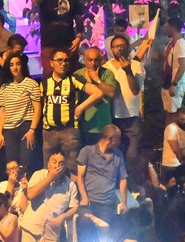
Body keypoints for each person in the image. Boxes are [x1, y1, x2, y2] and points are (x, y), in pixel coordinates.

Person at [40, 49, 103, 175]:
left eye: (66, 60)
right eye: (59, 60)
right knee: (48, 168)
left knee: (72, 167)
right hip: (49, 132)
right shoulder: (44, 82)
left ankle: (73, 193)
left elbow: (98, 92)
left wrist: (81, 107)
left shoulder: (74, 79)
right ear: (52, 63)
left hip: (69, 130)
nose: (63, 64)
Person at [75, 124, 129, 242]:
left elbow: (123, 179)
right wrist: (84, 197)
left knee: (113, 230)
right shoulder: (87, 151)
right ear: (110, 139)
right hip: (89, 203)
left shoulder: (118, 156)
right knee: (85, 225)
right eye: (118, 139)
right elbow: (79, 178)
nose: (120, 142)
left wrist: (123, 202)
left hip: (107, 204)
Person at [20, 151, 78, 242]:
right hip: (31, 228)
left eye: (61, 163)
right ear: (48, 163)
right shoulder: (39, 175)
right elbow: (30, 195)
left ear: (65, 166)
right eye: (54, 162)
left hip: (51, 232)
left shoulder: (70, 185)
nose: (57, 166)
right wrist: (50, 177)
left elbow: (74, 207)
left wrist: (63, 216)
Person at [104, 34, 147, 182]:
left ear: (128, 47)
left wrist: (128, 71)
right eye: (116, 46)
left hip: (131, 117)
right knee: (114, 153)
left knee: (131, 155)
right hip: (113, 117)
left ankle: (132, 187)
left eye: (123, 45)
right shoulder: (106, 68)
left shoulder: (136, 65)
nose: (120, 49)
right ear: (111, 49)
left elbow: (135, 90)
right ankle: (116, 186)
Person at [32, 0, 83, 77]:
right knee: (50, 76)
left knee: (71, 76)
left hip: (68, 43)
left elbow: (79, 19)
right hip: (49, 43)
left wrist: (78, 38)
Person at [0, 52, 41, 170]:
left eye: (17, 64)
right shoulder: (4, 87)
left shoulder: (31, 84)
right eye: (11, 65)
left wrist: (32, 130)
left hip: (25, 127)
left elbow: (37, 109)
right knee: (11, 164)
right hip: (9, 130)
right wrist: (0, 133)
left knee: (26, 163)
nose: (15, 67)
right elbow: (3, 111)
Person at [74, 46, 118, 146]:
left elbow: (111, 93)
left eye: (96, 60)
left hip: (103, 124)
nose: (93, 63)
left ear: (101, 60)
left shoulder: (107, 73)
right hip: (84, 124)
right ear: (84, 59)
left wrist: (96, 79)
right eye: (90, 60)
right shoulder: (77, 74)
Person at [161, 17, 185, 124]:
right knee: (168, 114)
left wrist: (174, 84)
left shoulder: (180, 44)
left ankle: (173, 138)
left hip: (175, 85)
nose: (165, 29)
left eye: (167, 26)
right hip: (167, 83)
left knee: (174, 116)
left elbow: (182, 66)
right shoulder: (172, 43)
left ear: (172, 27)